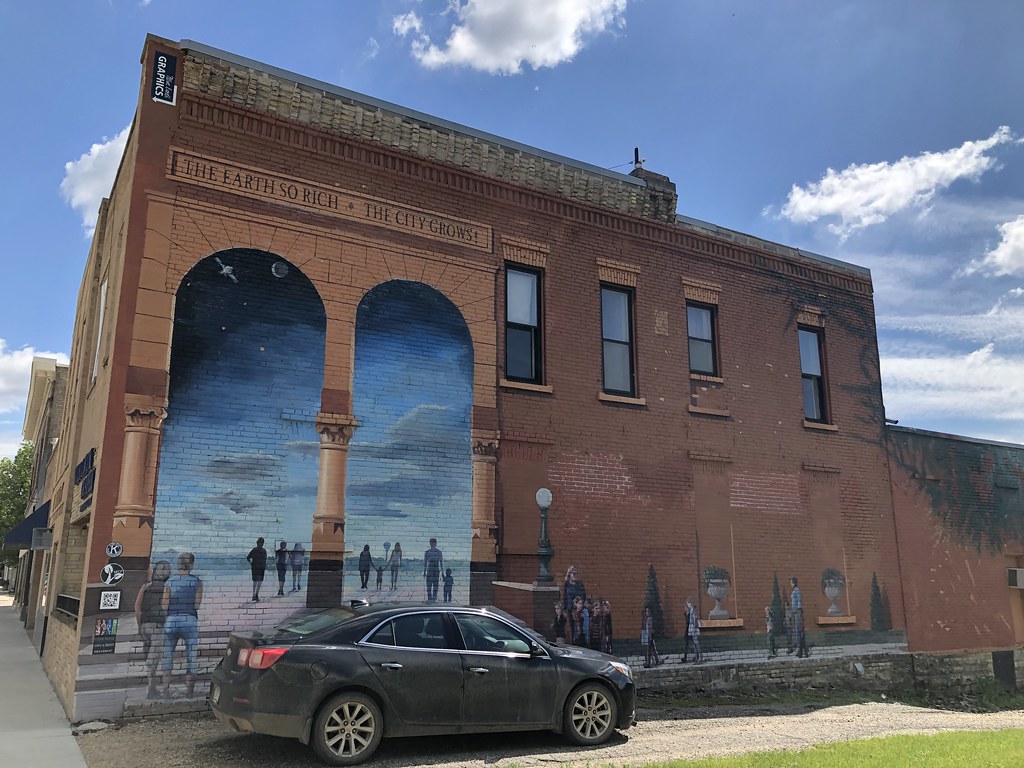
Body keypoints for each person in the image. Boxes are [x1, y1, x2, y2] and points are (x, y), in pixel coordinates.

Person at [161, 552, 203, 698]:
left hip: (171, 620)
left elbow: (164, 606)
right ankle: (189, 692)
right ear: (192, 565)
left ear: (178, 564)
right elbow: (197, 606)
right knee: (191, 657)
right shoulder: (197, 582)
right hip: (190, 621)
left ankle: (166, 689)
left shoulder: (169, 582)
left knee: (167, 656)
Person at [134, 559, 170, 698]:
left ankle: (152, 688)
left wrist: (140, 626)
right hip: (158, 627)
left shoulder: (145, 587)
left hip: (145, 626)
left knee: (148, 656)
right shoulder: (168, 588)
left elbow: (137, 608)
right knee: (153, 660)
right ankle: (152, 690)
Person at [790, 577, 808, 657]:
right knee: (797, 632)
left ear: (794, 583)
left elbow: (799, 601)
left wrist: (799, 610)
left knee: (798, 632)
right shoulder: (794, 590)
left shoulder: (796, 590)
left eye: (791, 583)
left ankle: (800, 650)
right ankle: (800, 650)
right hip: (795, 612)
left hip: (797, 612)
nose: (790, 584)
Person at [246, 537, 267, 602]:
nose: (261, 544)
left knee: (258, 582)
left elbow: (248, 558)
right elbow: (248, 557)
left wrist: (251, 563)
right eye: (260, 542)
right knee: (256, 582)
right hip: (257, 567)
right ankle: (254, 595)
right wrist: (251, 563)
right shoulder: (256, 550)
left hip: (260, 568)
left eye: (261, 543)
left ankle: (255, 595)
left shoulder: (262, 551)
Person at [685, 597, 702, 663]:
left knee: (696, 642)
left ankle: (700, 656)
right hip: (691, 627)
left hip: (693, 627)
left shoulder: (692, 610)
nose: (687, 605)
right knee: (694, 643)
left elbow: (694, 619)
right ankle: (696, 656)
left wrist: (694, 628)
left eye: (688, 603)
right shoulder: (691, 610)